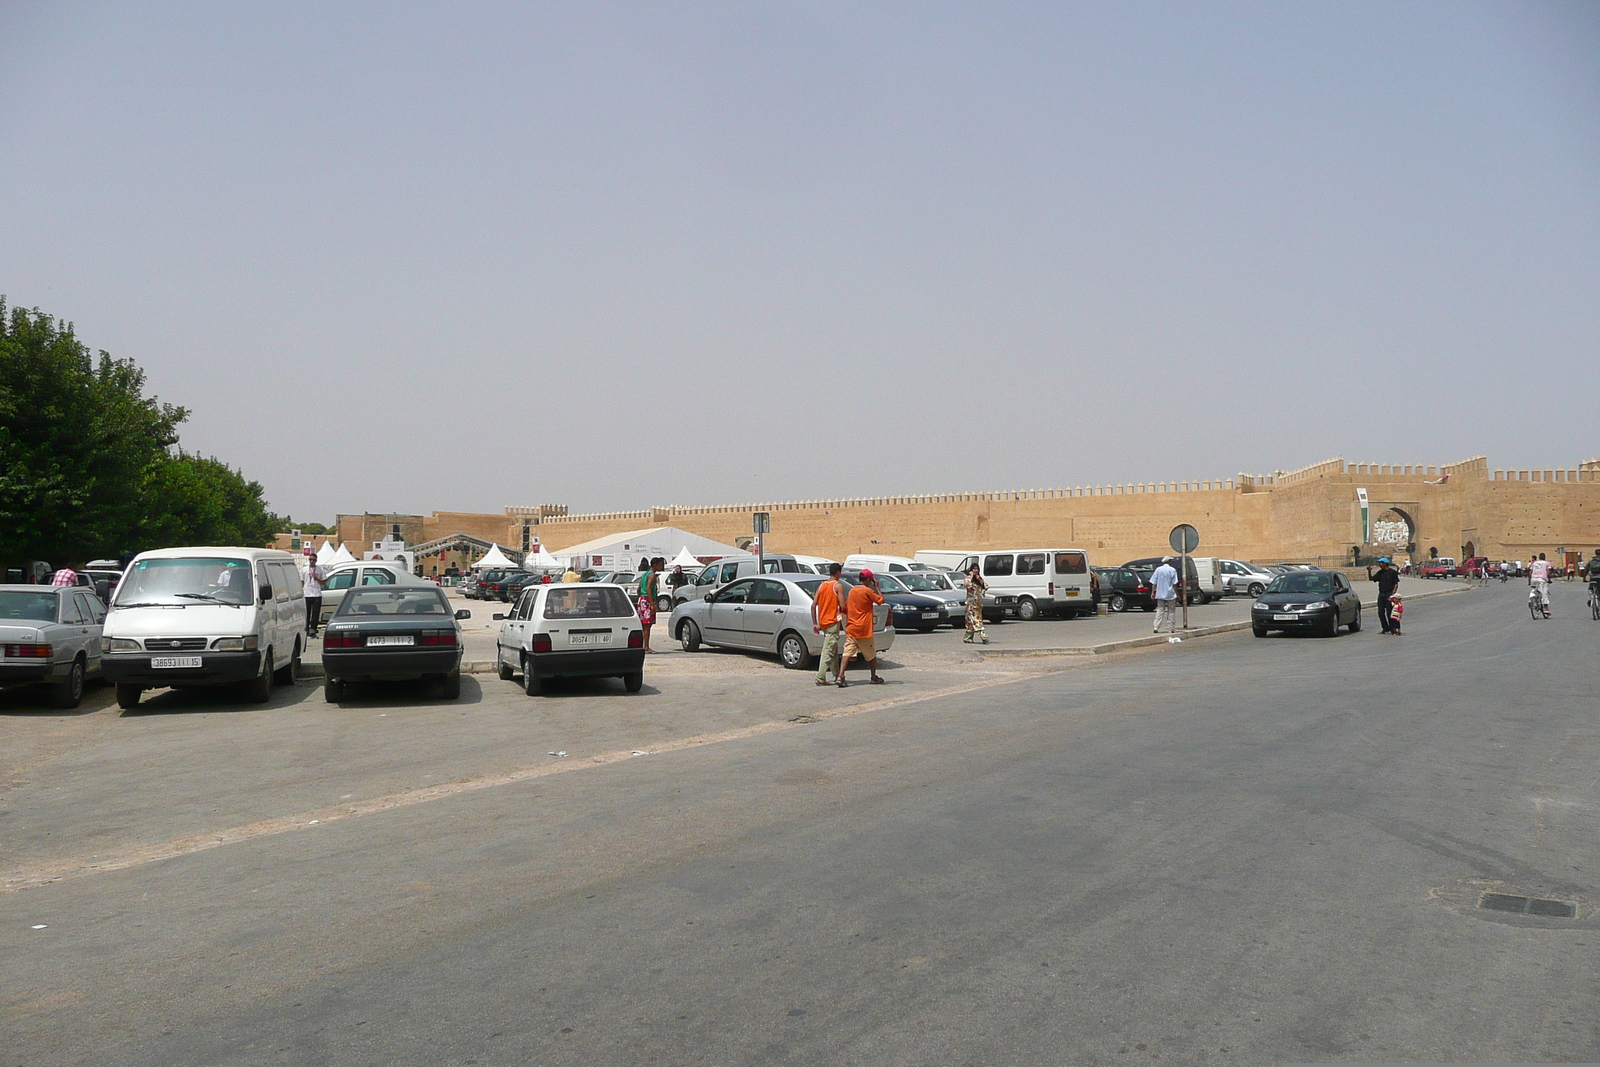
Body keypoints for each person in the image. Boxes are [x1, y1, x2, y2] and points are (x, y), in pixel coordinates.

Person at [837, 569, 886, 687]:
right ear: (869, 580)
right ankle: (873, 677)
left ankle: (840, 676)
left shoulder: (852, 591)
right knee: (871, 654)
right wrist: (878, 587)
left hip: (852, 628)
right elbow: (881, 601)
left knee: (847, 653)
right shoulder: (868, 591)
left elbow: (846, 607)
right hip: (864, 629)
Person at [811, 563, 848, 686]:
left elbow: (813, 605)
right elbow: (842, 605)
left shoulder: (822, 586)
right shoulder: (838, 586)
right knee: (828, 650)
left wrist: (815, 623)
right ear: (838, 573)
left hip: (823, 622)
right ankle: (820, 677)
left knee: (833, 648)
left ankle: (837, 675)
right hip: (833, 622)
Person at [1366, 556, 1401, 634]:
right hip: (1381, 594)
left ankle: (1393, 628)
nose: (1379, 564)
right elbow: (1372, 579)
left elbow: (1396, 584)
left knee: (1389, 612)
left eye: (1381, 563)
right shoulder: (1380, 572)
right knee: (1380, 612)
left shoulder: (1392, 572)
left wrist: (1393, 594)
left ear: (1385, 564)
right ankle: (1385, 628)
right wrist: (1369, 571)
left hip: (1389, 594)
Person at [1150, 557, 1180, 634]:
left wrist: (1153, 592)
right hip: (1170, 594)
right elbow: (1174, 584)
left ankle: (1156, 626)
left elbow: (1154, 582)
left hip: (1160, 593)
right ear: (1169, 561)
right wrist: (1177, 594)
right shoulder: (1172, 570)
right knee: (1171, 611)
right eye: (1171, 561)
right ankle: (1170, 628)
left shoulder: (1158, 570)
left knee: (1160, 610)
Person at [302, 557, 328, 636]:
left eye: (314, 560)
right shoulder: (304, 569)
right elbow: (302, 581)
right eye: (310, 559)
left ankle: (313, 628)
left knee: (315, 613)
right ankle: (306, 628)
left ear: (316, 561)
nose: (312, 561)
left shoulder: (320, 570)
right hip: (307, 594)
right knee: (307, 613)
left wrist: (317, 579)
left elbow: (324, 582)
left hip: (316, 594)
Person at [963, 563, 989, 644]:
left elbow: (985, 586)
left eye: (977, 569)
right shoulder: (967, 578)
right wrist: (971, 576)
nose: (976, 570)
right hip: (970, 604)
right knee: (970, 620)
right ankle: (969, 637)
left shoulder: (979, 579)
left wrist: (980, 579)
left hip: (978, 604)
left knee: (977, 619)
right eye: (974, 569)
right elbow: (967, 585)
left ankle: (981, 634)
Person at [1529, 552, 1552, 617]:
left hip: (1533, 579)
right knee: (1544, 593)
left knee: (1534, 589)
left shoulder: (1534, 563)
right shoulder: (1546, 563)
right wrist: (1549, 580)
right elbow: (1548, 572)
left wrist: (1529, 581)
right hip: (1542, 579)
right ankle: (1545, 608)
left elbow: (1530, 572)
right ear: (1544, 557)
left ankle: (1531, 599)